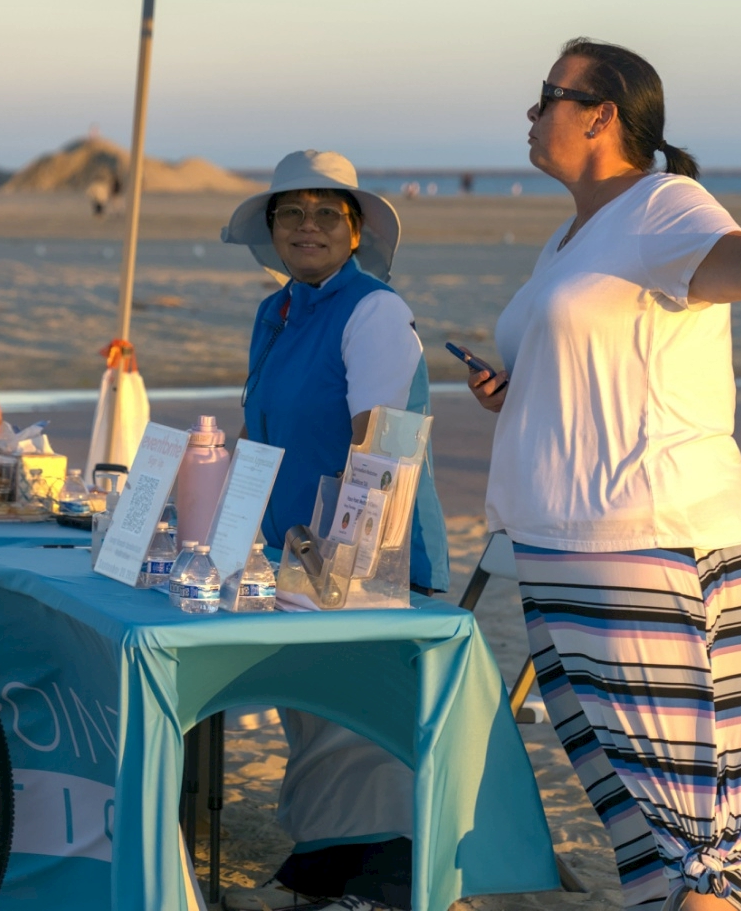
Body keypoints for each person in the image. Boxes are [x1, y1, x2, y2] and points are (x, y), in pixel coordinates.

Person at [468, 39, 741, 911]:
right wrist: (515, 391)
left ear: (600, 116)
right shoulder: (571, 236)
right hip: (561, 551)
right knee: (651, 833)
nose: (530, 114)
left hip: (645, 543)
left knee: (698, 837)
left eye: (546, 97)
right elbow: (597, 362)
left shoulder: (665, 205)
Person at [219, 149, 449, 911]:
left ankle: (382, 888)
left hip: (367, 559)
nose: (308, 226)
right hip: (299, 558)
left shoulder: (374, 309)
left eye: (328, 213)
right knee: (317, 723)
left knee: (363, 730)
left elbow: (377, 445)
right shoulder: (278, 310)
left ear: (356, 233)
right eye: (292, 213)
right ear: (273, 229)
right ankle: (319, 872)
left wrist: (347, 569)